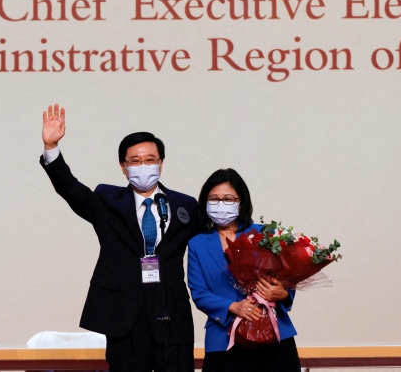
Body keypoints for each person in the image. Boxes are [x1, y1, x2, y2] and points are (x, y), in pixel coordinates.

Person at [39, 104, 201, 372]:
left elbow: (210, 246)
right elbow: (71, 189)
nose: (143, 166)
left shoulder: (185, 205)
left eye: (150, 159)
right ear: (123, 167)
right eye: (135, 161)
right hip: (124, 317)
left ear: (161, 163)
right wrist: (51, 147)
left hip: (171, 315)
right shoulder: (108, 201)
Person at [186, 169, 301, 372]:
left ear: (241, 203)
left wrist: (282, 293)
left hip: (274, 335)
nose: (221, 204)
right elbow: (199, 292)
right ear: (205, 203)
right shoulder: (197, 243)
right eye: (214, 199)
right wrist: (233, 307)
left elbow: (287, 278)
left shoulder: (264, 234)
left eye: (228, 199)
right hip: (223, 340)